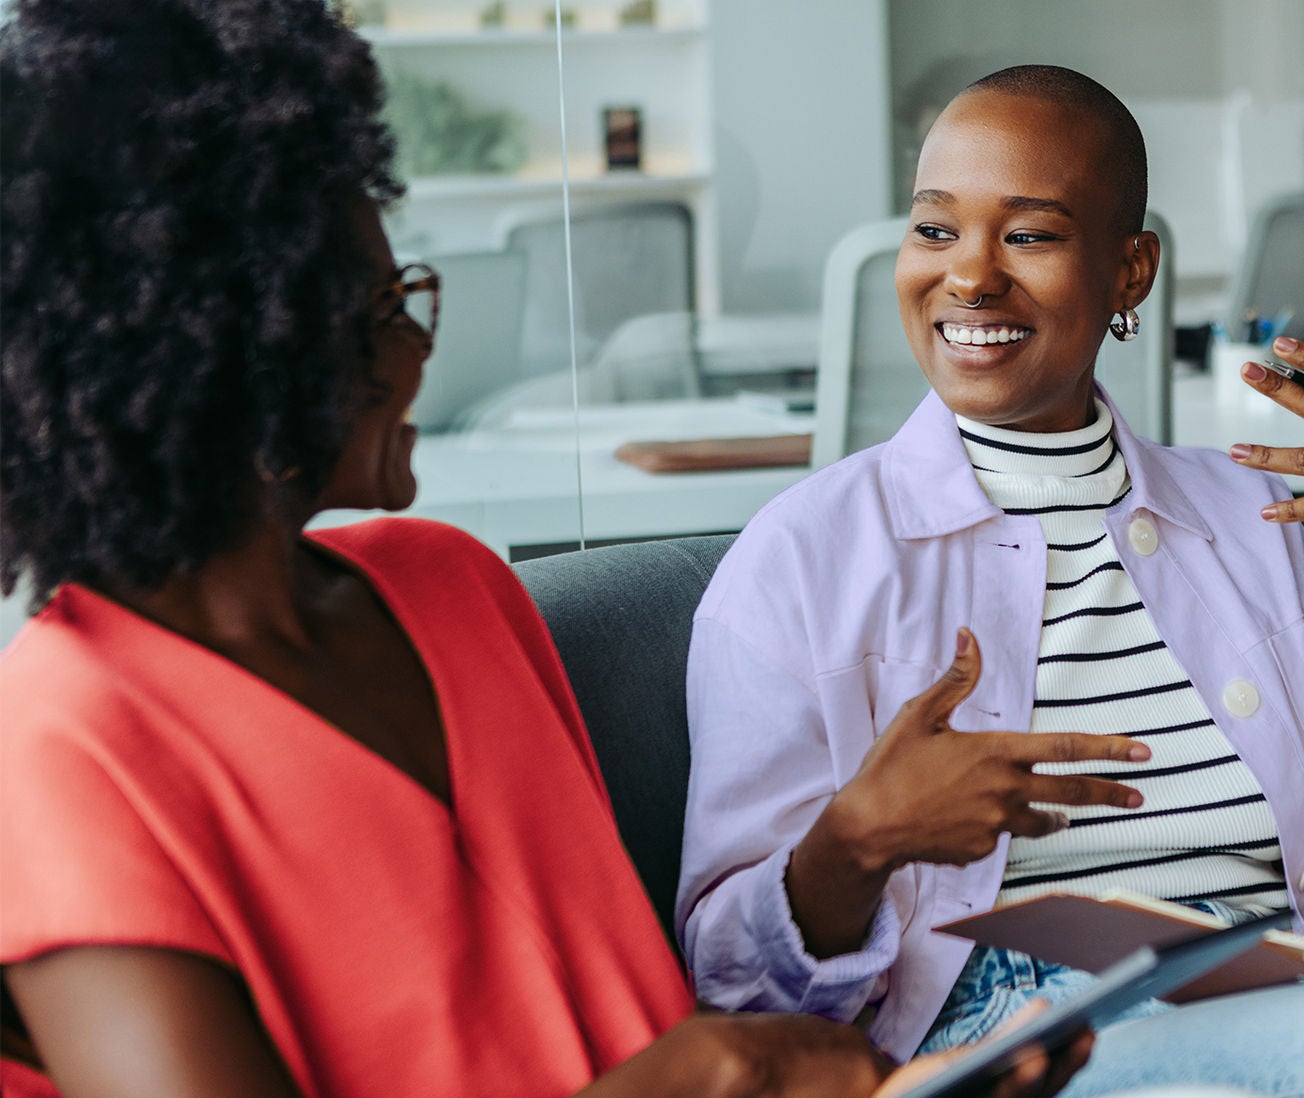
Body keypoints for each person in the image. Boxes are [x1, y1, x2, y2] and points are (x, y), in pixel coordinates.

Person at [0, 3, 1083, 1095]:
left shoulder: (453, 589)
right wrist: (697, 1079)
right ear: (233, 354)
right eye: (383, 309)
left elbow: (630, 1020)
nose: (422, 347)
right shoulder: (65, 742)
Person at [677, 64, 1304, 1097]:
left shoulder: (1238, 523)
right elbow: (737, 992)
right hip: (1008, 1040)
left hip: (1270, 998)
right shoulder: (803, 556)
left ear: (1130, 272)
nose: (969, 276)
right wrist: (857, 840)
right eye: (935, 229)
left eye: (1028, 235)